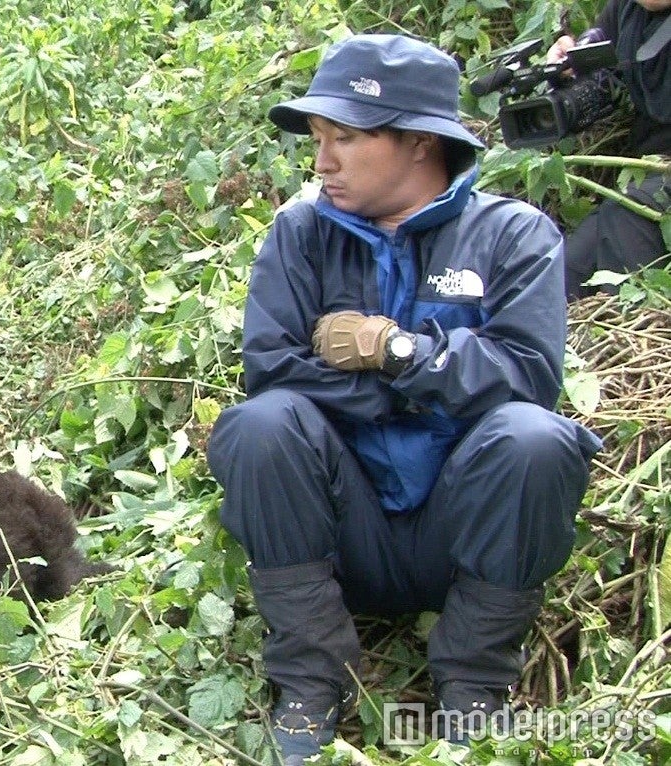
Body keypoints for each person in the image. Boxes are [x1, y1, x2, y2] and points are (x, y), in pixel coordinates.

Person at [206, 34, 602, 763]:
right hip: (340, 525)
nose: (322, 160)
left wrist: (398, 351)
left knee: (536, 438)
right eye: (319, 139)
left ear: (420, 142)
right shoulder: (300, 236)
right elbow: (271, 368)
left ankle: (475, 685)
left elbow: (526, 377)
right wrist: (406, 398)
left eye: (346, 138)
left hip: (463, 531)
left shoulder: (513, 236)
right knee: (259, 427)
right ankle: (310, 678)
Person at [546, 0, 670, 299]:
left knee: (625, 218)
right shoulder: (626, 11)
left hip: (649, 191)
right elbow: (598, 69)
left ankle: (635, 327)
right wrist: (567, 66)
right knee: (563, 272)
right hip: (648, 172)